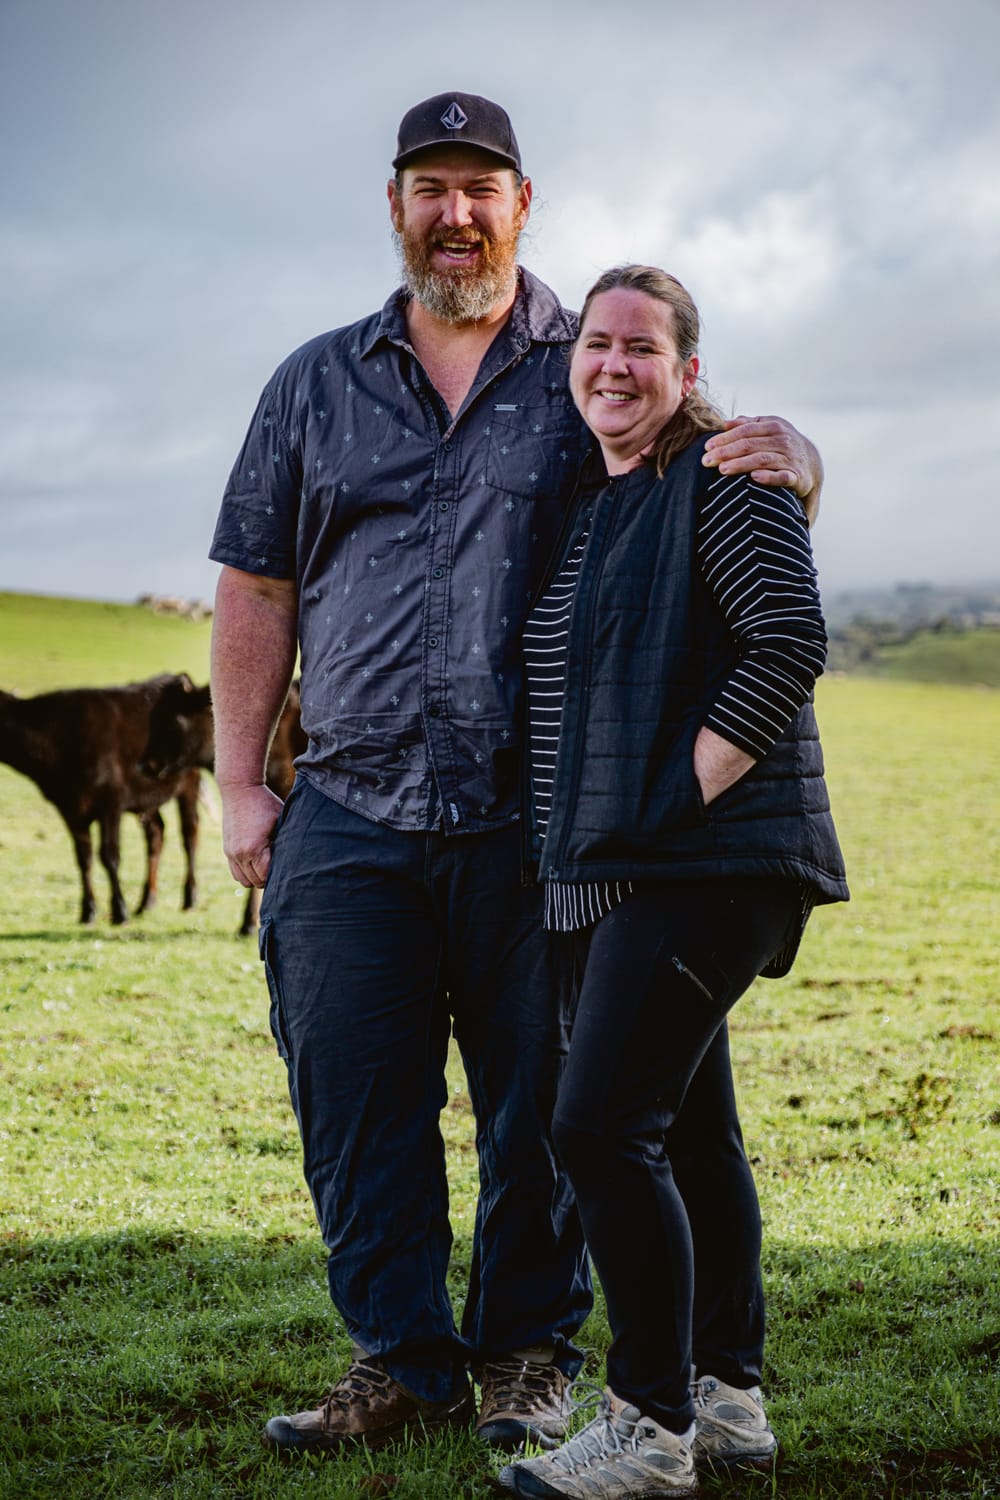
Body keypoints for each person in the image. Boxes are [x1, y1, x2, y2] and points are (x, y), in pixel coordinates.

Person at [207, 94, 827, 1459]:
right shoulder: (314, 381)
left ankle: (526, 1360)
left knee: (543, 1111)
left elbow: (700, 468)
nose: (456, 212)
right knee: (354, 1099)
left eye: (481, 187)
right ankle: (398, 1360)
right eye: (430, 186)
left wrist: (806, 462)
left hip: (537, 828)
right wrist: (242, 784)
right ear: (396, 206)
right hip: (348, 812)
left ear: (521, 204)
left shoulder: (580, 358)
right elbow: (257, 583)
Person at [496, 265, 849, 1499]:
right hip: (623, 872)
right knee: (692, 1134)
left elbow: (790, 641)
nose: (613, 364)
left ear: (687, 372)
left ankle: (647, 1429)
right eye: (595, 343)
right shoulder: (608, 502)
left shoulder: (726, 476)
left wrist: (671, 798)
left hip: (700, 863)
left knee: (598, 1126)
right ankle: (724, 1400)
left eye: (642, 347)